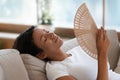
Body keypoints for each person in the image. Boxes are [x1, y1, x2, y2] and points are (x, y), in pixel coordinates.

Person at [13, 26, 111, 80]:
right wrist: (102, 52)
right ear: (41, 54)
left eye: (46, 31)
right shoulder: (55, 70)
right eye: (45, 38)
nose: (51, 34)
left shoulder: (78, 49)